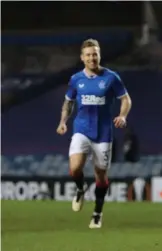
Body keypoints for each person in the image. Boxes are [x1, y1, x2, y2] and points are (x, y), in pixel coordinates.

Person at [56, 38, 132, 229]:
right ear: (82, 58)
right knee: (74, 169)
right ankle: (81, 189)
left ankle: (97, 213)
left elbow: (126, 99)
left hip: (104, 134)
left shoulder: (111, 77)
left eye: (95, 54)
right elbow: (68, 102)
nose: (92, 58)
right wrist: (63, 121)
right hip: (81, 130)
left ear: (99, 55)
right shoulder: (76, 80)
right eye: (88, 55)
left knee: (100, 176)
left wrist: (122, 116)